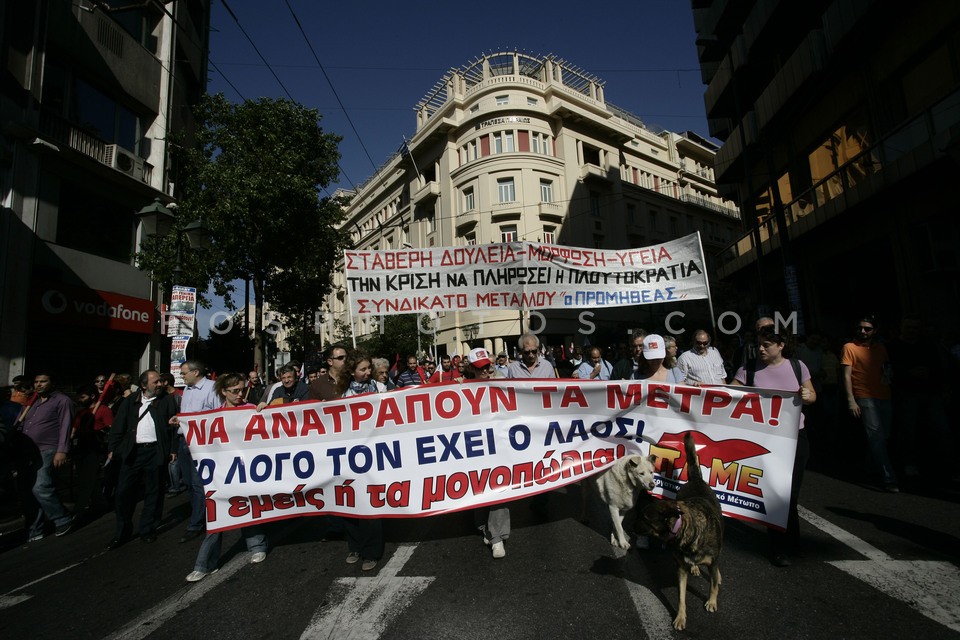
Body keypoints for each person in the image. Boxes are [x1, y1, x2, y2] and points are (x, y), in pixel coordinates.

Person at [732, 326, 816, 567]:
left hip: (796, 439)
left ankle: (793, 542)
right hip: (766, 441)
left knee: (791, 494)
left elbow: (812, 395)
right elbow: (728, 393)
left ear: (781, 346)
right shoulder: (747, 370)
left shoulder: (798, 367)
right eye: (759, 344)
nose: (760, 349)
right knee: (775, 493)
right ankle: (779, 548)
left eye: (766, 345)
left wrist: (807, 395)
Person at [187, 373, 269, 582]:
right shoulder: (214, 414)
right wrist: (181, 422)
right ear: (224, 391)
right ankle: (205, 564)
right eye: (235, 391)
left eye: (242, 390)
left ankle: (257, 545)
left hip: (245, 469)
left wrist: (263, 411)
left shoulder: (249, 409)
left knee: (248, 505)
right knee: (217, 512)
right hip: (221, 472)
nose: (240, 394)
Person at [106, 370, 178, 548]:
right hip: (133, 453)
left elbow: (175, 428)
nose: (160, 384)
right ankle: (122, 531)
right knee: (123, 492)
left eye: (161, 381)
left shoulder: (166, 401)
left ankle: (148, 529)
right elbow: (118, 426)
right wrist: (112, 449)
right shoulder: (130, 402)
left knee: (154, 492)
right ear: (144, 385)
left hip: (155, 451)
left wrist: (172, 449)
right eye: (156, 382)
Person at [337, 351, 385, 571]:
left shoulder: (381, 388)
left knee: (370, 502)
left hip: (374, 454)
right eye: (362, 369)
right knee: (350, 500)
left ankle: (371, 552)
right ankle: (354, 546)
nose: (367, 373)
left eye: (368, 368)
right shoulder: (342, 392)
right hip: (347, 454)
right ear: (352, 372)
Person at [461, 348, 510, 558]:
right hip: (473, 447)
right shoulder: (459, 386)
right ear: (471, 368)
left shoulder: (502, 382)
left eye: (488, 367)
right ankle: (485, 527)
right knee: (480, 486)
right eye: (480, 369)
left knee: (499, 485)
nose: (486, 372)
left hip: (497, 444)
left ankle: (497, 536)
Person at [841, 315, 898, 492]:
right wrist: (851, 400)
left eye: (867, 328)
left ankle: (869, 466)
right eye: (860, 328)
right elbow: (846, 376)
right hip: (864, 397)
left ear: (875, 331)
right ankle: (889, 477)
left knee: (883, 436)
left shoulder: (880, 348)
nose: (863, 331)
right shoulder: (849, 347)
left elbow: (886, 369)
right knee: (877, 437)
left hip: (884, 395)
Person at [17, 373, 75, 541]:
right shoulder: (31, 402)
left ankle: (62, 518)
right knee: (26, 491)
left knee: (40, 486)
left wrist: (62, 450)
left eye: (43, 381)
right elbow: (21, 425)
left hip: (48, 449)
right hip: (27, 452)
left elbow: (66, 426)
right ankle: (35, 529)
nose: (39, 384)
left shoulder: (62, 401)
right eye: (36, 382)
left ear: (52, 383)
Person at [176, 360, 220, 543]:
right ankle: (200, 515)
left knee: (197, 484)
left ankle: (196, 523)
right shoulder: (187, 389)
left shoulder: (212, 388)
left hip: (201, 444)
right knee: (188, 482)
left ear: (195, 372)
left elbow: (217, 415)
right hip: (184, 441)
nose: (182, 376)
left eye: (184, 372)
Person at [70, 384, 113, 520]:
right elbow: (73, 431)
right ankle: (100, 503)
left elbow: (112, 430)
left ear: (92, 396)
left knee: (87, 479)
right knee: (87, 479)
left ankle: (78, 509)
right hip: (81, 448)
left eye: (83, 397)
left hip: (96, 449)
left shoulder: (104, 410)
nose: (80, 400)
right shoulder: (81, 412)